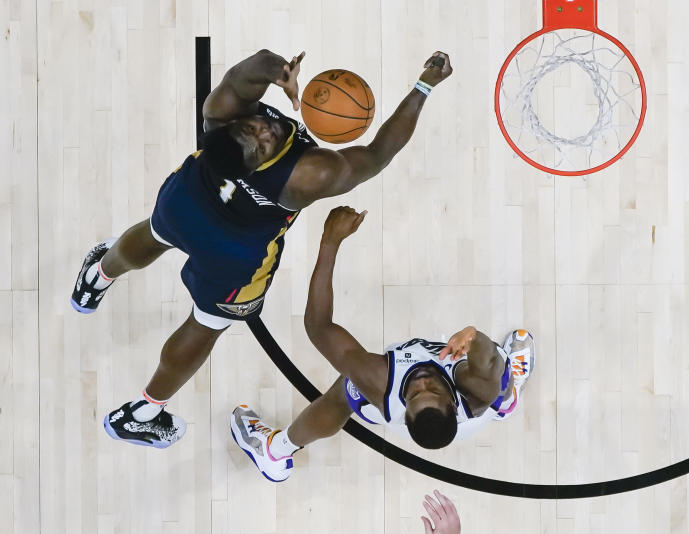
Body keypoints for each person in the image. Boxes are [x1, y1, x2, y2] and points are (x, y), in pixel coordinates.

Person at [72, 48, 453, 449]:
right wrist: (424, 85)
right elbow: (377, 156)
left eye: (254, 129)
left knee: (154, 233)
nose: (264, 133)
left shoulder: (220, 114)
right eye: (260, 145)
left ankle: (96, 278)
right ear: (255, 166)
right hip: (234, 253)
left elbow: (244, 72)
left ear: (227, 126)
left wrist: (280, 72)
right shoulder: (309, 174)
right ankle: (143, 414)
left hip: (186, 200)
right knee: (205, 324)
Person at [229, 207, 536, 481]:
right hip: (475, 408)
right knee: (495, 368)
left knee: (345, 391)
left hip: (404, 410)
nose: (423, 383)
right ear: (452, 400)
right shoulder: (472, 394)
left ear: (406, 410)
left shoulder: (382, 381)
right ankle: (505, 403)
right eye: (432, 390)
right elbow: (486, 362)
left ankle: (275, 451)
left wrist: (329, 242)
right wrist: (472, 335)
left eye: (416, 393)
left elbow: (319, 328)